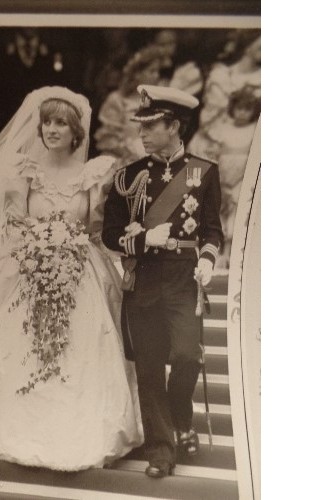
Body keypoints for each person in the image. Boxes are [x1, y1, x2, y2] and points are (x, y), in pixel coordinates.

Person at [0, 86, 143, 471]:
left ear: (76, 132)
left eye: (61, 123)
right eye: (47, 122)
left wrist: (73, 249)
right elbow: (15, 223)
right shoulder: (24, 171)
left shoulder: (94, 174)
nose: (52, 129)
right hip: (31, 267)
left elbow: (97, 229)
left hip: (80, 267)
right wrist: (37, 249)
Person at [102, 85, 223, 478]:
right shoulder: (128, 177)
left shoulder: (204, 172)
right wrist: (141, 238)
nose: (143, 132)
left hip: (184, 282)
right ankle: (161, 452)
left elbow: (211, 230)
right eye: (142, 125)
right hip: (144, 283)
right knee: (150, 368)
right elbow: (109, 233)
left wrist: (207, 258)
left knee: (188, 355)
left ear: (174, 126)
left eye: (152, 125)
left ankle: (177, 418)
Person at [208, 85, 261, 268]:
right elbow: (214, 152)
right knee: (220, 211)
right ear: (232, 108)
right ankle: (219, 253)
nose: (242, 113)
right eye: (239, 108)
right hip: (223, 177)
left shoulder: (255, 130)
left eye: (248, 109)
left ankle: (233, 254)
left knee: (238, 212)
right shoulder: (223, 128)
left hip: (244, 178)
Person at [187, 34, 261, 161]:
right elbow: (209, 111)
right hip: (209, 139)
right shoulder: (220, 75)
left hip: (242, 145)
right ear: (247, 46)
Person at [94, 45, 161, 166]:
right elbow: (108, 139)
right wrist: (134, 153)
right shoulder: (117, 100)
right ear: (137, 74)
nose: (156, 76)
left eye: (157, 71)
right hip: (119, 162)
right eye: (151, 71)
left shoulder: (156, 102)